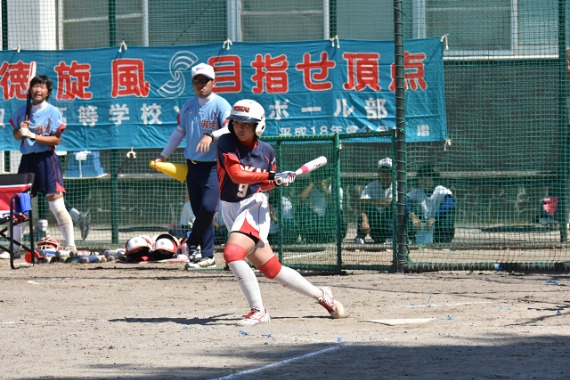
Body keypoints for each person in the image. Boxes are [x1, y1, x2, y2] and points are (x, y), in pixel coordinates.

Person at [216, 99, 346, 326]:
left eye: (247, 124)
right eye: (237, 123)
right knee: (271, 268)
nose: (240, 127)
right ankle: (322, 295)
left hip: (253, 205)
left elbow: (263, 186)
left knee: (233, 254)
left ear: (259, 126)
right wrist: (271, 177)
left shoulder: (266, 151)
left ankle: (258, 311)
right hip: (229, 206)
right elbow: (236, 174)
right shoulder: (226, 142)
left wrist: (278, 181)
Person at [154, 63, 231, 269]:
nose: (201, 84)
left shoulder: (220, 104)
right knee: (200, 213)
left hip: (214, 166)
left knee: (208, 209)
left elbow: (230, 128)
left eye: (205, 80)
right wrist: (163, 155)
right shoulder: (188, 105)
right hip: (193, 166)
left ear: (213, 82)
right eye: (197, 80)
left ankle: (192, 242)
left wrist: (211, 135)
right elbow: (180, 132)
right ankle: (207, 256)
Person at [9, 75, 78, 254]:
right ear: (30, 89)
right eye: (35, 86)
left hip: (47, 160)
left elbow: (56, 139)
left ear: (48, 91)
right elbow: (16, 136)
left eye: (42, 87)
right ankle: (14, 248)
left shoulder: (52, 112)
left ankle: (71, 245)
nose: (38, 90)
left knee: (56, 205)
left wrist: (33, 136)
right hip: (27, 161)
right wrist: (21, 130)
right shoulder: (21, 111)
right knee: (21, 205)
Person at [406, 165, 456, 243]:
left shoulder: (440, 190)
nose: (424, 180)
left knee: (447, 217)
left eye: (427, 177)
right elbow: (404, 201)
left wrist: (434, 218)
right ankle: (411, 240)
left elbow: (450, 202)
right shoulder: (416, 192)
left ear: (433, 178)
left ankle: (443, 242)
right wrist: (412, 216)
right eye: (421, 177)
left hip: (437, 224)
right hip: (423, 224)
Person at [294, 172, 347, 244]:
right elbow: (300, 200)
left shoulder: (336, 189)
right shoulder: (311, 189)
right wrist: (312, 184)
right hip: (315, 221)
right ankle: (309, 237)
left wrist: (323, 187)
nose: (320, 180)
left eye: (323, 178)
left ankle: (332, 237)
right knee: (301, 208)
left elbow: (332, 203)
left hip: (329, 220)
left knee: (337, 212)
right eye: (318, 178)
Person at [354, 157, 393, 244]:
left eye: (388, 172)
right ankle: (360, 237)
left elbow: (388, 202)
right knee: (366, 208)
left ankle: (390, 238)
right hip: (375, 227)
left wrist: (368, 201)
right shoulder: (370, 186)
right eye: (383, 172)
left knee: (393, 207)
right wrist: (365, 220)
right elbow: (360, 204)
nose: (385, 175)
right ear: (378, 173)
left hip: (389, 226)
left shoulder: (396, 185)